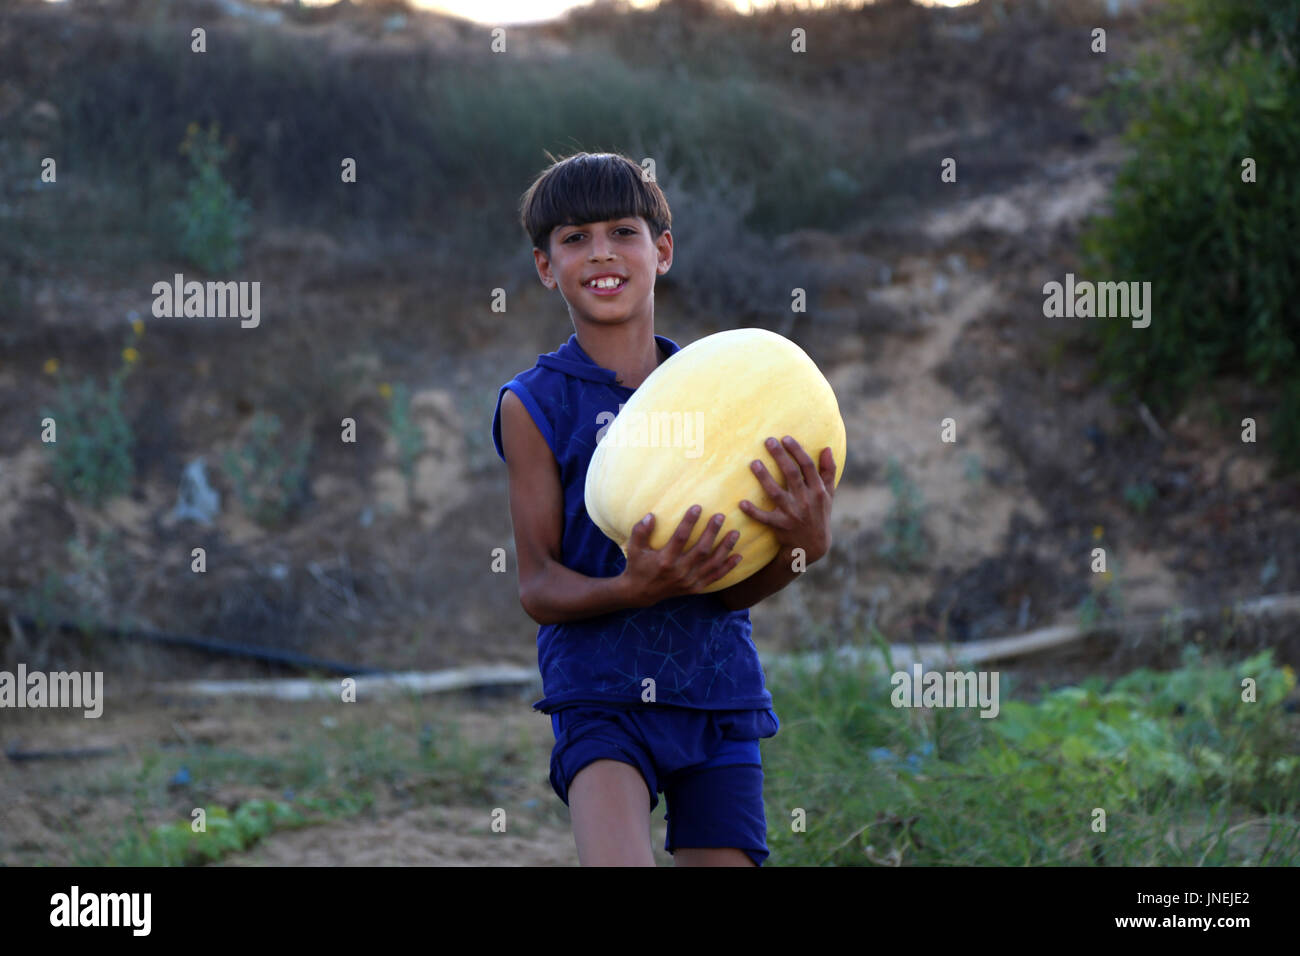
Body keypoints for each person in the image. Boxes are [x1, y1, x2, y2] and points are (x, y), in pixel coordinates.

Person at [491, 151, 837, 866]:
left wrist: (805, 546)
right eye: (575, 238)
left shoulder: (726, 391)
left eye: (624, 231)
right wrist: (630, 589)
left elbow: (729, 589)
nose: (602, 254)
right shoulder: (533, 405)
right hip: (600, 699)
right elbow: (538, 586)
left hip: (717, 693)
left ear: (663, 250)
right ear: (545, 266)